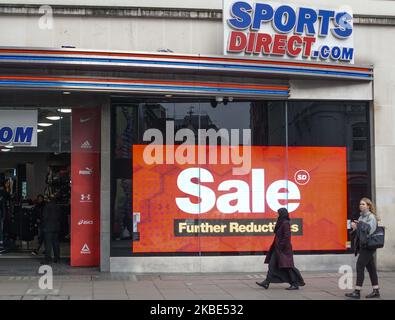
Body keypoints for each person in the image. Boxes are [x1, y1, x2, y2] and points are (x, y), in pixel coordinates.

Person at [256, 207, 305, 290]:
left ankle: (295, 283)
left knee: (288, 266)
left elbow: (287, 236)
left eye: (279, 213)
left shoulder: (285, 223)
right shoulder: (281, 222)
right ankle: (266, 282)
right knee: (272, 265)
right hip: (277, 249)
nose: (277, 215)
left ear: (282, 214)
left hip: (283, 250)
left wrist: (281, 246)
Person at [345, 197, 380, 299]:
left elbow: (369, 230)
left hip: (369, 246)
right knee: (371, 268)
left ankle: (357, 291)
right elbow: (360, 234)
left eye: (363, 204)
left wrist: (358, 226)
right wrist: (355, 228)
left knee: (360, 266)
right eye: (360, 204)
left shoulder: (371, 217)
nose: (361, 205)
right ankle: (376, 290)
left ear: (368, 206)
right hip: (363, 245)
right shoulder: (361, 218)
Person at [41, 193, 61, 264]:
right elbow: (60, 217)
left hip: (48, 227)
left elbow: (44, 217)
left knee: (48, 244)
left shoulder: (47, 206)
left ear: (49, 199)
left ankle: (47, 259)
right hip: (56, 227)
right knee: (56, 243)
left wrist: (43, 226)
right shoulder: (57, 206)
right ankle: (57, 258)